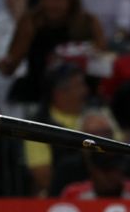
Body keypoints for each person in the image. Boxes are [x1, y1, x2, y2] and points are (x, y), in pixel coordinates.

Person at [0, 0, 106, 104]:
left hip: (79, 97)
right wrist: (3, 64)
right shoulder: (31, 22)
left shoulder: (89, 23)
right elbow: (11, 64)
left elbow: (102, 63)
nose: (50, 4)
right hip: (38, 94)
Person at [23, 63, 89, 196]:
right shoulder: (38, 127)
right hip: (61, 197)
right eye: (78, 86)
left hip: (105, 194)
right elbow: (43, 178)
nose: (85, 90)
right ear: (59, 93)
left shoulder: (97, 114)